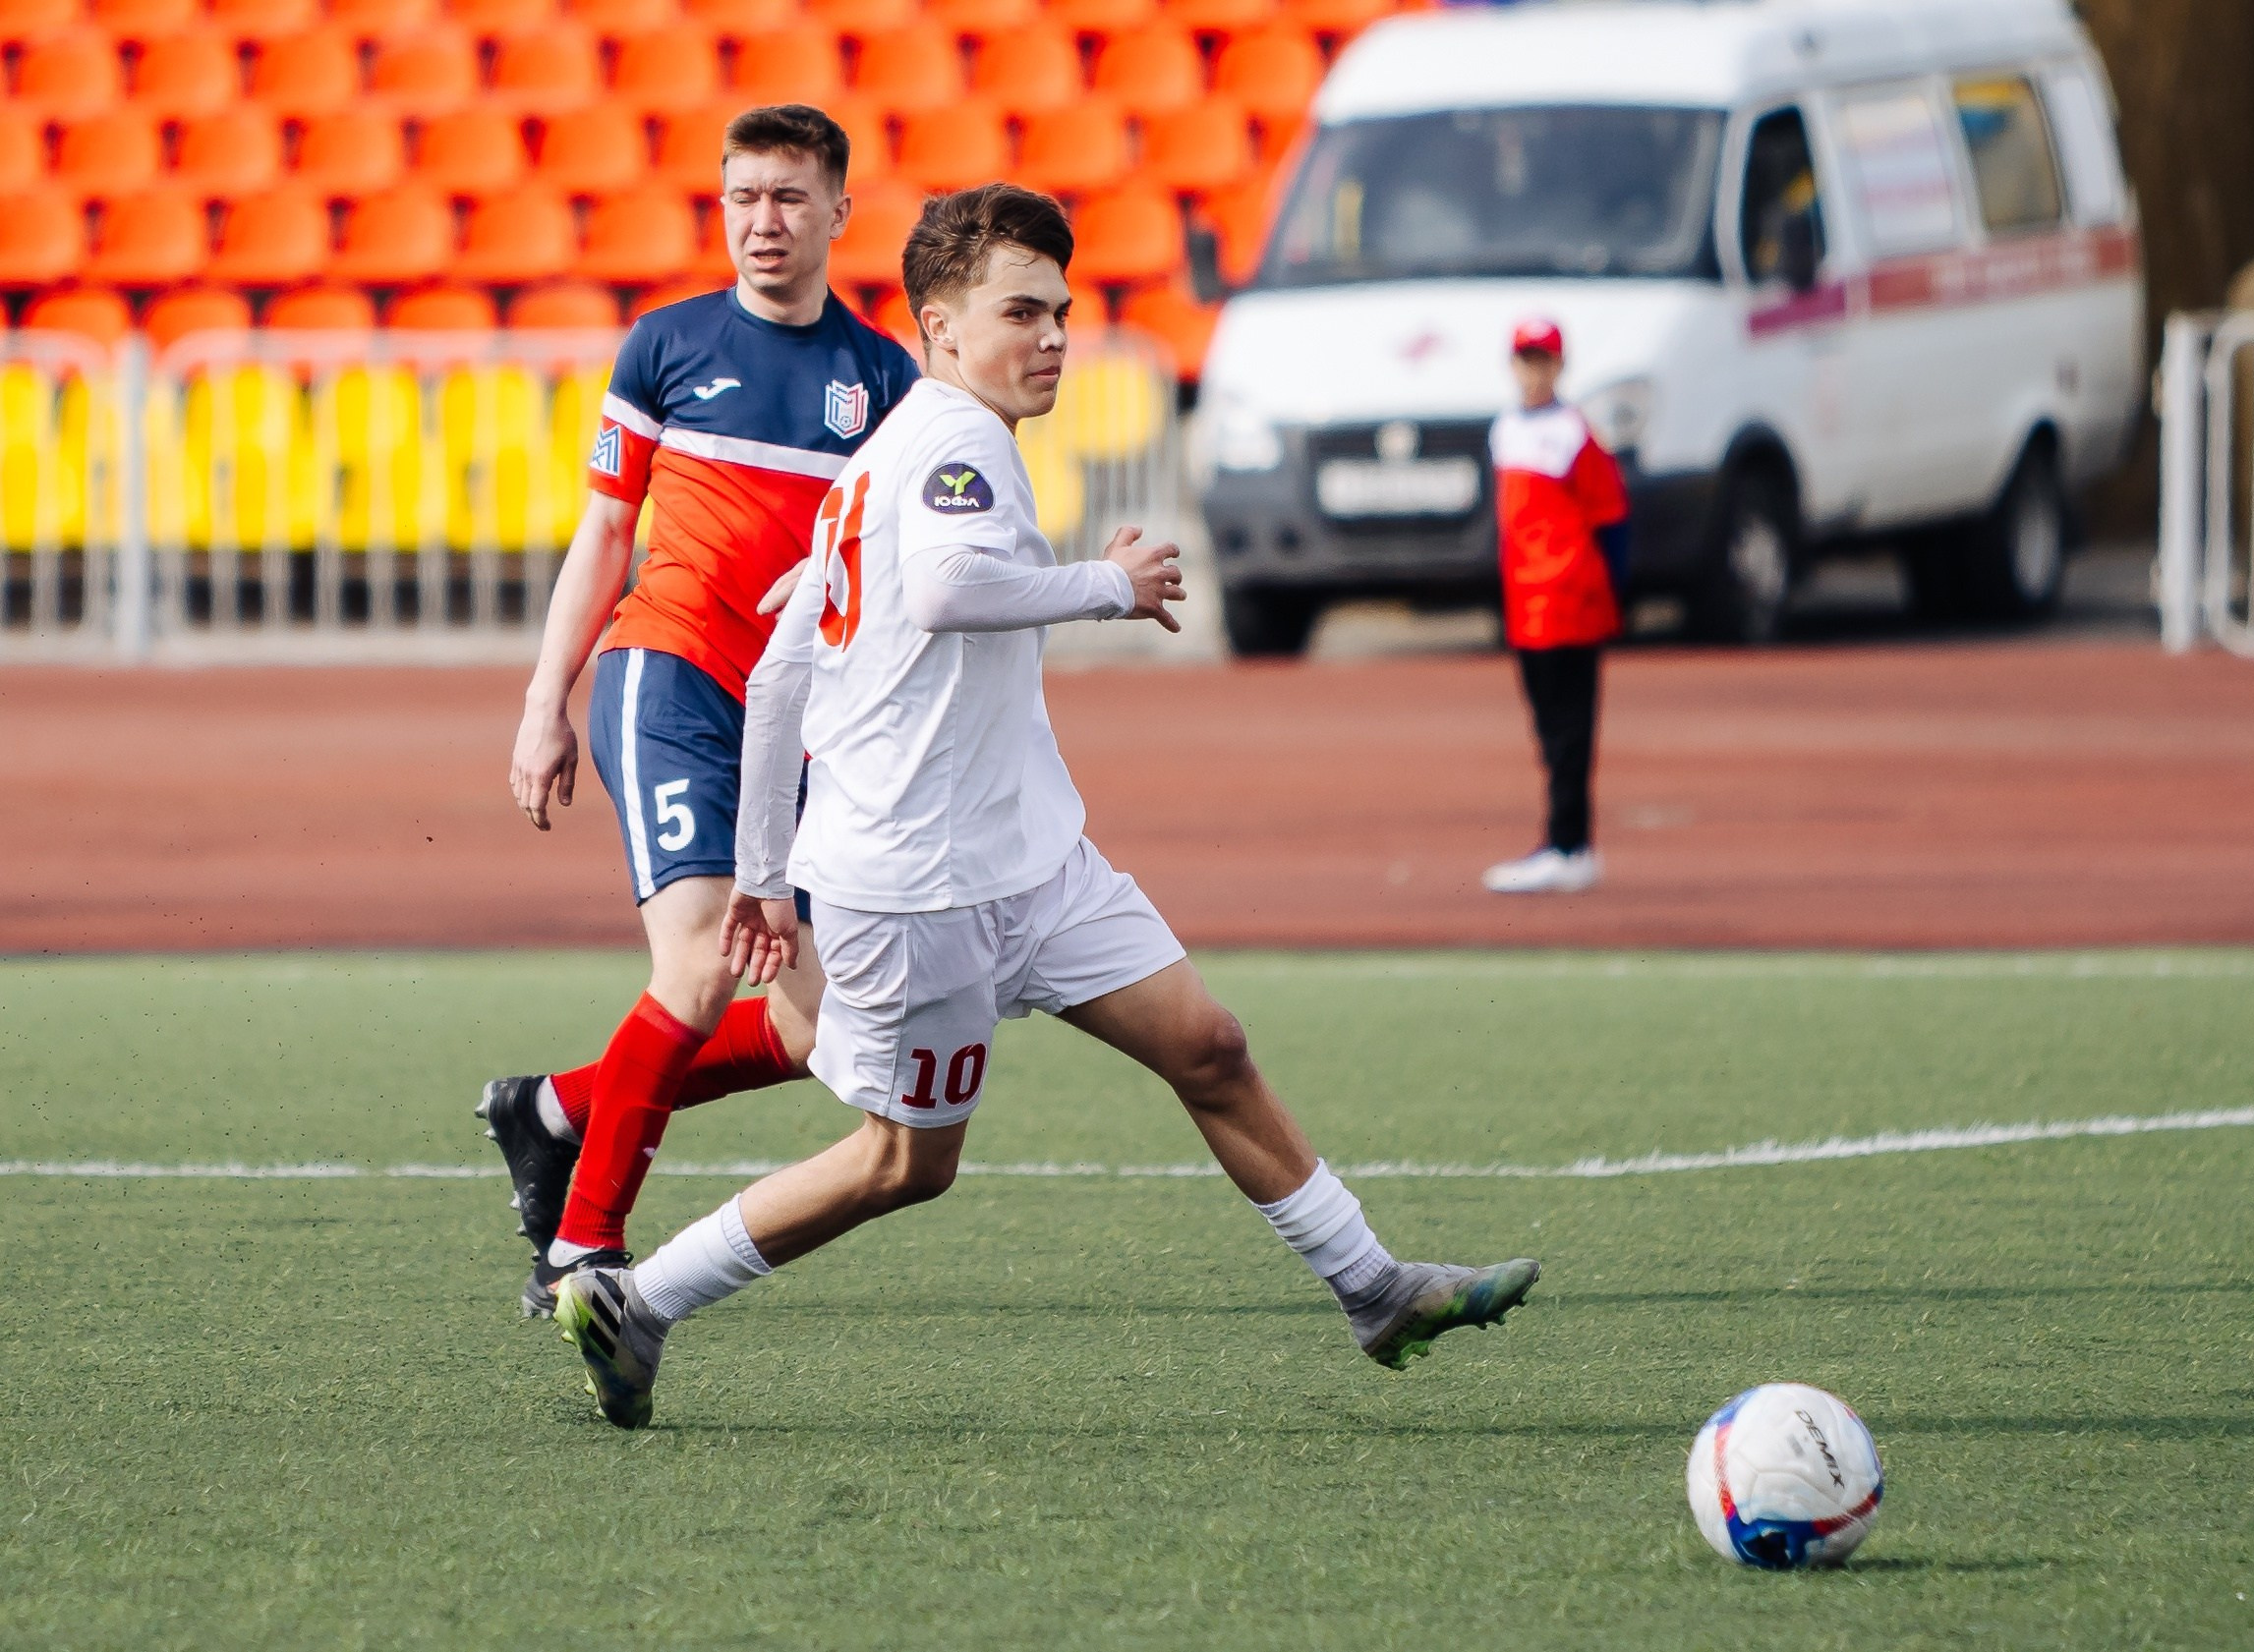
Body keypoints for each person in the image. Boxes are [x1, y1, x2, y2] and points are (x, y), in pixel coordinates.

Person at [552, 183, 1538, 1429]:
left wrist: (760, 870)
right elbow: (947, 589)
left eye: (1061, 311)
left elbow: (789, 663)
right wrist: (1106, 585)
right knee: (904, 1162)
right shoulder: (951, 443)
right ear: (939, 328)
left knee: (1208, 1046)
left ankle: (1373, 1289)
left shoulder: (887, 457)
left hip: (1030, 862)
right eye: (1021, 312)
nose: (1055, 336)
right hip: (920, 889)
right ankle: (638, 1303)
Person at [484, 104, 921, 1318]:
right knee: (699, 961)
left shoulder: (884, 380)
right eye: (741, 197)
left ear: (838, 211)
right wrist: (544, 699)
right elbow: (604, 531)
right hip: (668, 675)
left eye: (787, 196)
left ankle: (555, 1110)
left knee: (813, 1027)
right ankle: (581, 1253)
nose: (761, 221)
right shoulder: (666, 345)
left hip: (798, 721)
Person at [1480, 318, 1630, 895]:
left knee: (1570, 729)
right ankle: (1564, 842)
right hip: (1526, 603)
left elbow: (1610, 515)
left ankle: (1570, 845)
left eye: (1544, 360)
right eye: (1526, 359)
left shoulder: (1575, 433)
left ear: (1560, 366)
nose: (1534, 371)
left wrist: (1610, 591)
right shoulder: (1505, 430)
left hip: (1570, 597)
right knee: (1547, 726)